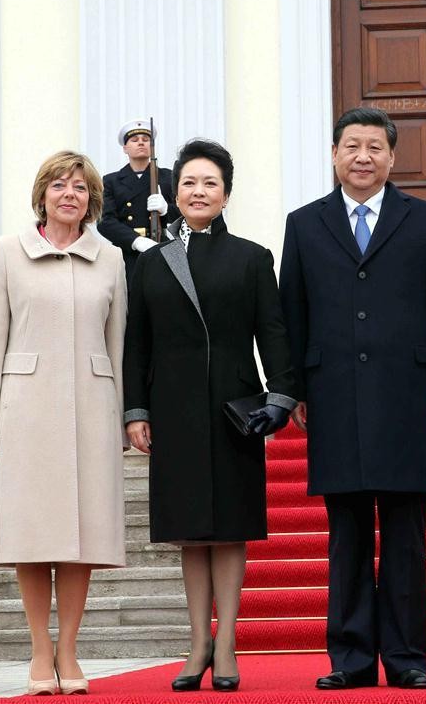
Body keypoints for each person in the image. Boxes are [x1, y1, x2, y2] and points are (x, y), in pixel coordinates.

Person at [279, 107, 426, 691]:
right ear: (335, 154)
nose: (363, 157)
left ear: (391, 157)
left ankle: (407, 658)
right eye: (352, 146)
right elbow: (292, 312)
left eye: (374, 148)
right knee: (348, 537)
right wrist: (295, 388)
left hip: (411, 397)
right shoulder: (304, 224)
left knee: (407, 536)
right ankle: (351, 659)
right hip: (333, 396)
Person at [123, 139, 296, 693]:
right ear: (175, 193)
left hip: (233, 408)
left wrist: (282, 396)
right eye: (189, 183)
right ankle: (198, 642)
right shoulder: (151, 262)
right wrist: (135, 410)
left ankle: (227, 643)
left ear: (226, 194)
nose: (199, 192)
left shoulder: (251, 257)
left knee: (229, 528)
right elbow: (136, 343)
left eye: (210, 183)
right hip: (172, 407)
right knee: (190, 531)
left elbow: (273, 333)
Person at [0, 151, 127, 696]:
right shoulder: (6, 253)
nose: (69, 194)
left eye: (79, 187)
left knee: (80, 538)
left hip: (91, 407)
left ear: (92, 200)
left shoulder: (110, 258)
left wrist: (123, 418)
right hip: (26, 410)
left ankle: (69, 650)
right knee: (31, 535)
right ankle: (40, 650)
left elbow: (118, 343)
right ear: (42, 195)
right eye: (58, 185)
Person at [97, 119, 180, 286]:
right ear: (125, 148)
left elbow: (186, 214)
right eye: (134, 140)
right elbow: (105, 222)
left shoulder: (167, 177)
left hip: (163, 248)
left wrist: (166, 209)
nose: (141, 143)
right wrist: (136, 241)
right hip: (127, 253)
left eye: (146, 139)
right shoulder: (111, 181)